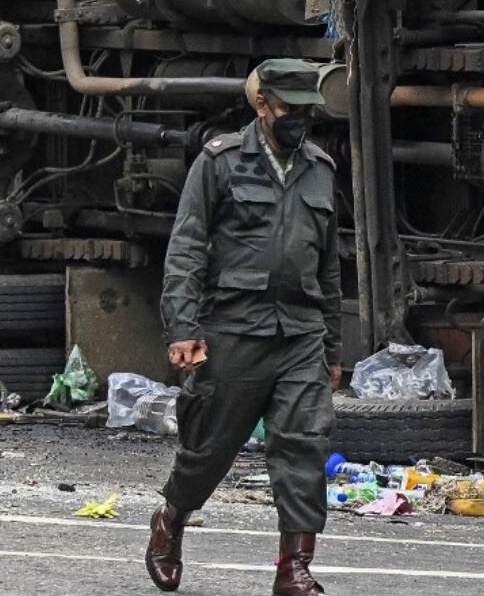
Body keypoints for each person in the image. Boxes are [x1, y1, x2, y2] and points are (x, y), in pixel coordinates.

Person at [147, 59, 341, 596]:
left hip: (300, 333)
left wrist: (332, 347)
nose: (300, 120)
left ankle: (294, 568)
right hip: (233, 328)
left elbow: (328, 265)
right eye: (290, 109)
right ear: (262, 105)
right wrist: (182, 328)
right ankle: (171, 519)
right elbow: (186, 248)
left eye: (308, 111)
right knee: (209, 447)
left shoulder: (320, 169)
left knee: (304, 445)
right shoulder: (220, 162)